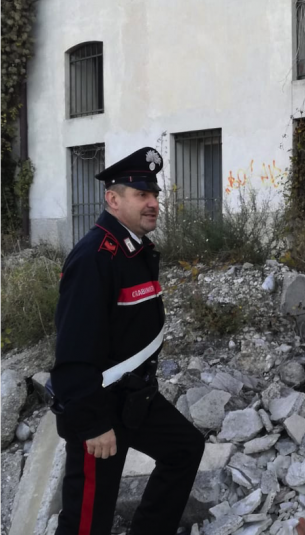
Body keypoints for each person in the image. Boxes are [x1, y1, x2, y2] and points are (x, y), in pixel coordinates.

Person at [50, 147, 204, 535]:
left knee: (185, 448)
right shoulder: (95, 256)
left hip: (136, 400)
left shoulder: (136, 249)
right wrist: (92, 424)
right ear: (113, 200)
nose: (153, 203)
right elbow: (73, 351)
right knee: (87, 521)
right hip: (99, 408)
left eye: (154, 194)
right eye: (141, 195)